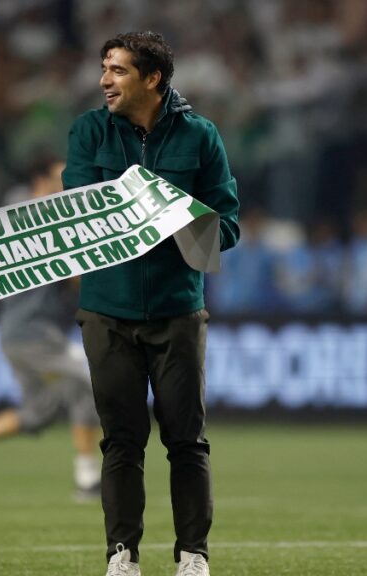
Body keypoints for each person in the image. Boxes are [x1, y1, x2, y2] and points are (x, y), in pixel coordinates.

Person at [62, 32, 239, 576]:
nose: (104, 81)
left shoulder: (201, 137)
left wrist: (173, 215)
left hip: (178, 311)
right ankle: (123, 556)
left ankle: (193, 556)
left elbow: (226, 227)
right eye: (104, 69)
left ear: (152, 78)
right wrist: (146, 209)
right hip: (106, 310)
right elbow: (79, 215)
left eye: (116, 70)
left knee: (186, 440)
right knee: (121, 440)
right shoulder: (88, 131)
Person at [0, 152, 102, 500]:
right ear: (39, 181)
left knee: (40, 411)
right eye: (61, 178)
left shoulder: (39, 213)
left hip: (21, 331)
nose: (67, 186)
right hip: (32, 332)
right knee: (95, 378)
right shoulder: (25, 212)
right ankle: (89, 478)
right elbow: (71, 272)